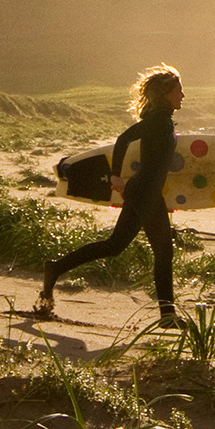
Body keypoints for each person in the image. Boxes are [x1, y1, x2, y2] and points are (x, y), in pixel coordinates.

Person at [35, 64, 187, 327]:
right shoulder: (158, 122)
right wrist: (116, 175)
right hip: (144, 193)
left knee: (126, 248)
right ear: (165, 95)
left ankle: (56, 268)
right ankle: (167, 315)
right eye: (178, 91)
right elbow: (123, 139)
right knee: (151, 251)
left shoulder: (163, 121)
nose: (182, 95)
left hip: (147, 193)